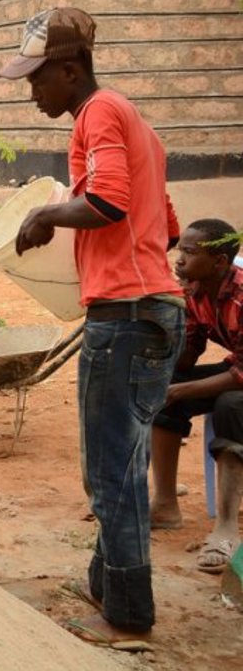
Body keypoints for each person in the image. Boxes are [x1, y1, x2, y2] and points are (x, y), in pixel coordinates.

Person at [3, 7, 184, 644]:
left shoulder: (97, 114)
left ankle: (128, 616)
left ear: (70, 70)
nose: (33, 92)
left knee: (110, 473)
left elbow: (109, 202)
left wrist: (48, 216)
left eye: (37, 80)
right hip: (150, 309)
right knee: (120, 465)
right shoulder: (137, 123)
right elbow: (166, 225)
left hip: (129, 318)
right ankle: (108, 584)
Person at [150, 220, 242, 572]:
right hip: (237, 369)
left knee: (230, 404)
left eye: (190, 252)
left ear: (220, 261)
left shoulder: (241, 296)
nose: (180, 260)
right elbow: (186, 358)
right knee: (169, 384)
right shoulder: (200, 291)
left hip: (240, 378)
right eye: (180, 251)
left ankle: (226, 527)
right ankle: (165, 505)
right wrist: (177, 305)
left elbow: (240, 375)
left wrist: (181, 390)